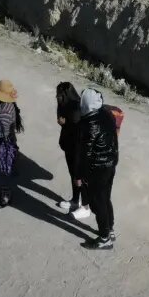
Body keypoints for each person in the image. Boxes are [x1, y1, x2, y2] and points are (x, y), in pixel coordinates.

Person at [77, 88, 119, 250]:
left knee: (98, 203)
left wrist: (80, 174)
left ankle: (104, 239)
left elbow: (85, 154)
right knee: (106, 198)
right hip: (110, 164)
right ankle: (110, 229)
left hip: (97, 169)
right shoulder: (106, 113)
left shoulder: (88, 124)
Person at [0, 79, 23, 207]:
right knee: (2, 168)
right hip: (7, 141)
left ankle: (6, 196)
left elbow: (1, 130)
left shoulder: (3, 111)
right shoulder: (7, 105)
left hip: (3, 143)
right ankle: (3, 191)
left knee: (3, 169)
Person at [55, 82, 88, 216]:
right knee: (73, 174)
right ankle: (76, 199)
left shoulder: (75, 108)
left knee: (77, 175)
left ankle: (79, 202)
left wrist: (65, 124)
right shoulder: (65, 104)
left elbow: (76, 129)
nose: (56, 96)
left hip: (77, 148)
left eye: (59, 94)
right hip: (70, 146)